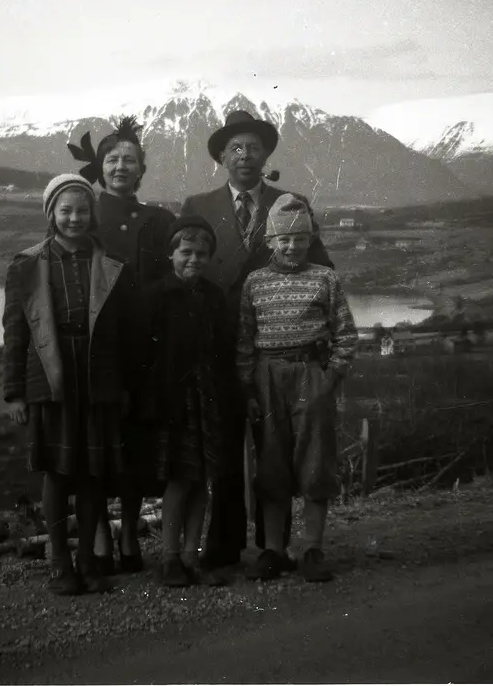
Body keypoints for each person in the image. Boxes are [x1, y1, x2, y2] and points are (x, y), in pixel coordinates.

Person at [180, 109, 333, 572]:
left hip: (271, 351)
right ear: (222, 157)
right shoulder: (197, 206)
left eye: (254, 147)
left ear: (266, 153)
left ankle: (275, 547)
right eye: (236, 148)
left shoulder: (290, 202)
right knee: (223, 446)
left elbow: (321, 267)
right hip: (215, 348)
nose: (246, 156)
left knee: (277, 446)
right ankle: (223, 546)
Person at [2, 173, 139, 596]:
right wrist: (15, 392)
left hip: (98, 378)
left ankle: (89, 563)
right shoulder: (27, 265)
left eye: (82, 210)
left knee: (93, 473)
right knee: (58, 474)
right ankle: (60, 563)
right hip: (51, 375)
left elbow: (122, 334)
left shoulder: (112, 264)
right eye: (65, 210)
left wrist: (124, 386)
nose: (74, 218)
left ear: (92, 214)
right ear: (51, 214)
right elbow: (15, 333)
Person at [68, 115, 176, 575]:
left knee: (135, 447)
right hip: (98, 351)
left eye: (129, 160)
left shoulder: (160, 219)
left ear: (141, 169)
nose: (120, 166)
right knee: (95, 447)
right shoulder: (84, 217)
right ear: (100, 166)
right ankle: (97, 541)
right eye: (112, 159)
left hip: (144, 350)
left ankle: (129, 533)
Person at [236, 193, 358, 583]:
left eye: (300, 239)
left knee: (315, 461)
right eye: (283, 239)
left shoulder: (325, 278)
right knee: (271, 463)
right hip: (267, 376)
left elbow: (347, 335)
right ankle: (273, 550)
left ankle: (312, 548)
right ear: (270, 241)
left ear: (310, 239)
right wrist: (249, 390)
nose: (291, 246)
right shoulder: (254, 283)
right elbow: (244, 340)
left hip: (310, 375)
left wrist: (329, 378)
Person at [140, 216, 233, 588]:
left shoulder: (213, 297)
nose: (194, 259)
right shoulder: (155, 296)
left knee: (202, 480)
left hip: (206, 401)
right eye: (186, 252)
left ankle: (192, 556)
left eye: (202, 253)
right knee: (179, 480)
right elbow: (144, 358)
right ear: (170, 254)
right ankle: (169, 560)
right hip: (171, 403)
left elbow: (222, 353)